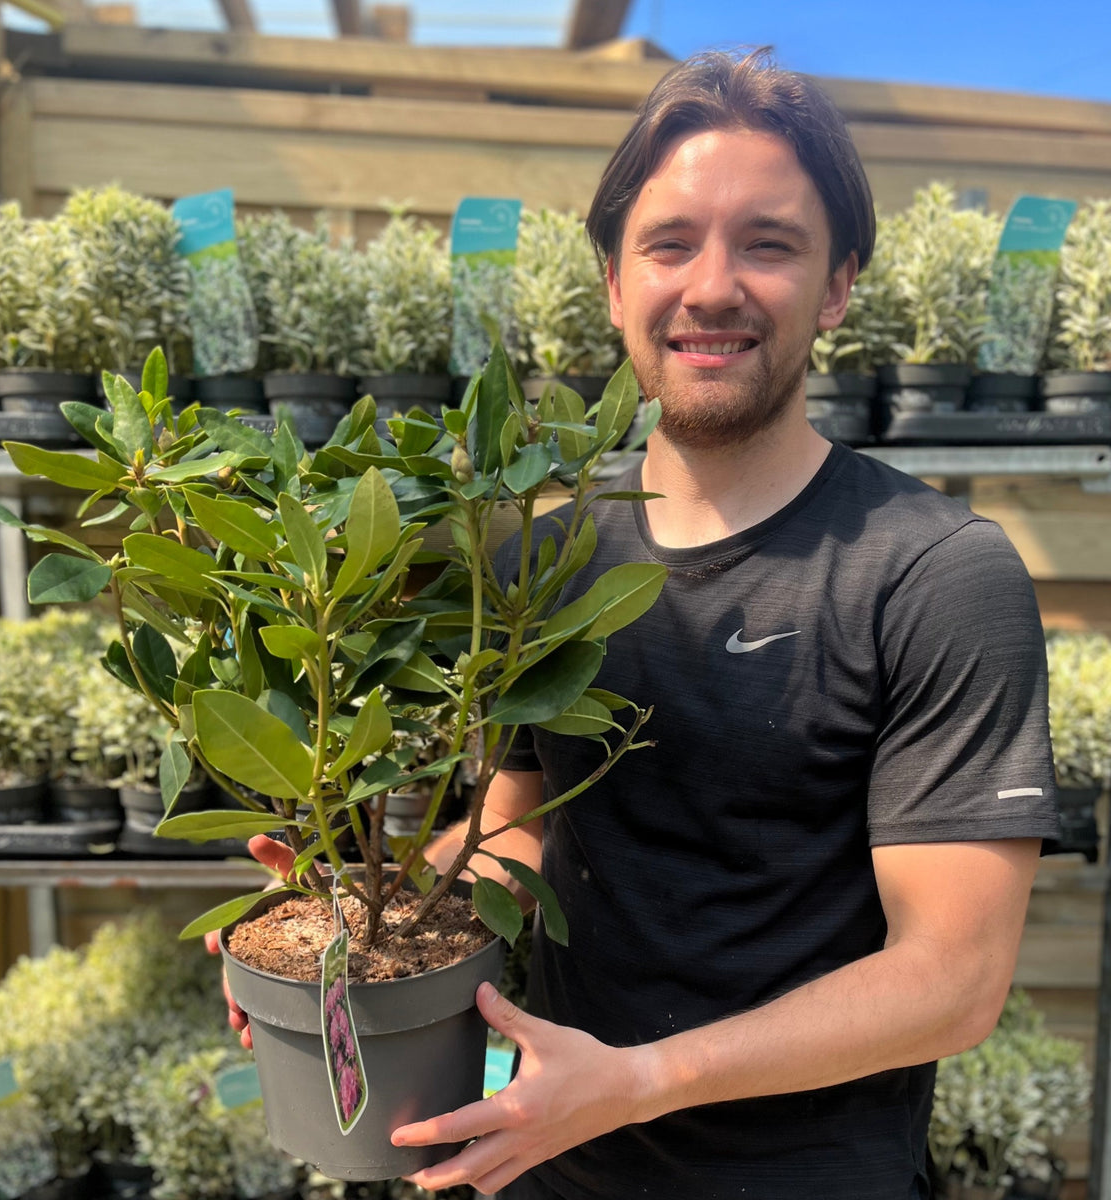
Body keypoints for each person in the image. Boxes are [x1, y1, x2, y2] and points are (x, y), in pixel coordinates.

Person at [214, 48, 1060, 1200]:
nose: (713, 286)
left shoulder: (931, 573)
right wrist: (352, 919)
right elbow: (520, 835)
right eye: (671, 243)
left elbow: (953, 980)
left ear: (839, 285)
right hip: (539, 1159)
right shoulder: (539, 561)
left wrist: (643, 1078)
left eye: (769, 243)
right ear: (614, 283)